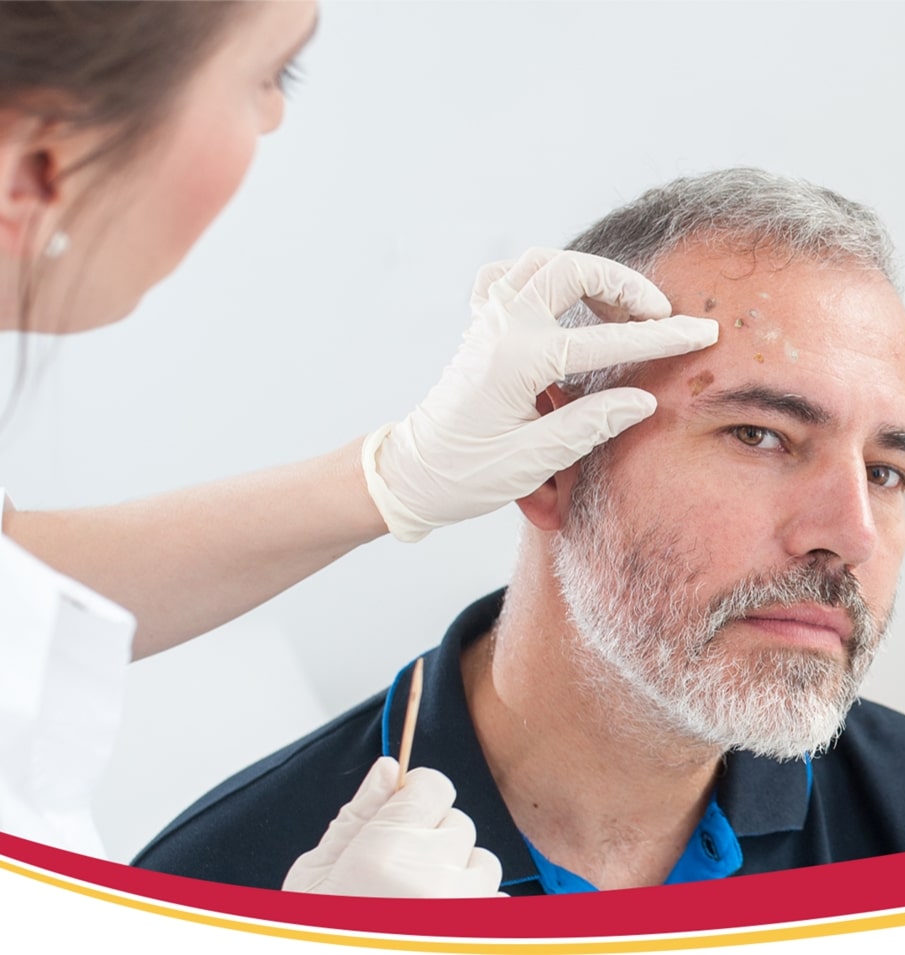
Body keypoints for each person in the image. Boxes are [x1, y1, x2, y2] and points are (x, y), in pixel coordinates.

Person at [134, 168, 905, 894]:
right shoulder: (236, 882)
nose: (850, 535)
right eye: (761, 435)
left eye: (885, 472)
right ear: (551, 460)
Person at [0, 1, 717, 897]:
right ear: (37, 166)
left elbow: (14, 582)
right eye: (272, 74)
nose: (273, 118)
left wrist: (393, 475)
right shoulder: (240, 837)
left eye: (888, 469)